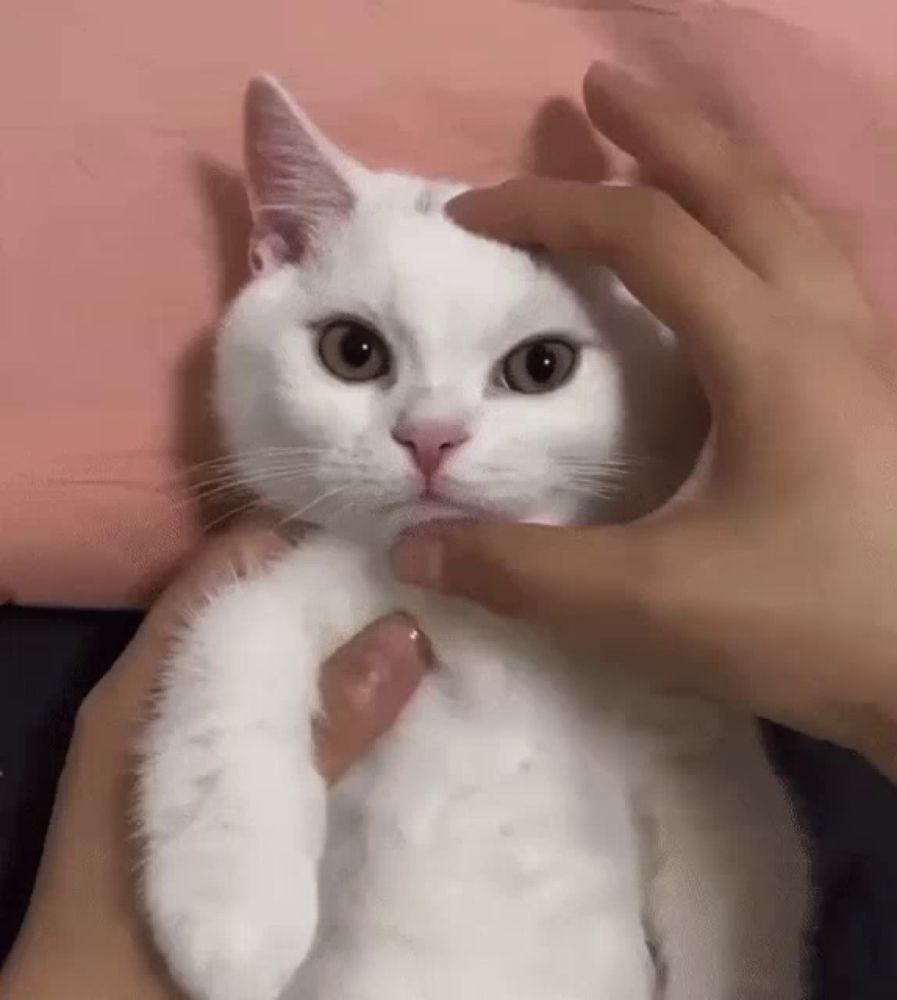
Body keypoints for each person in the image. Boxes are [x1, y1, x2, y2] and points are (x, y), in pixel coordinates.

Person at [2, 61, 895, 998]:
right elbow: (231, 705)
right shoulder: (300, 594)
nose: (430, 431)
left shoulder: (649, 632)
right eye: (357, 352)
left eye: (536, 366)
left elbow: (725, 840)